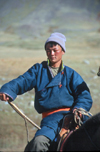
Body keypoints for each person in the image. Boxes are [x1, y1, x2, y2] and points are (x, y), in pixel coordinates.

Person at [0, 32, 93, 151]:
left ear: (63, 51)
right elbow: (22, 81)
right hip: (50, 121)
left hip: (72, 118)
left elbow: (84, 94)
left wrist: (79, 108)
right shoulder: (38, 70)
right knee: (38, 144)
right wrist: (8, 90)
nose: (52, 53)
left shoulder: (71, 74)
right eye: (48, 51)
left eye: (55, 50)